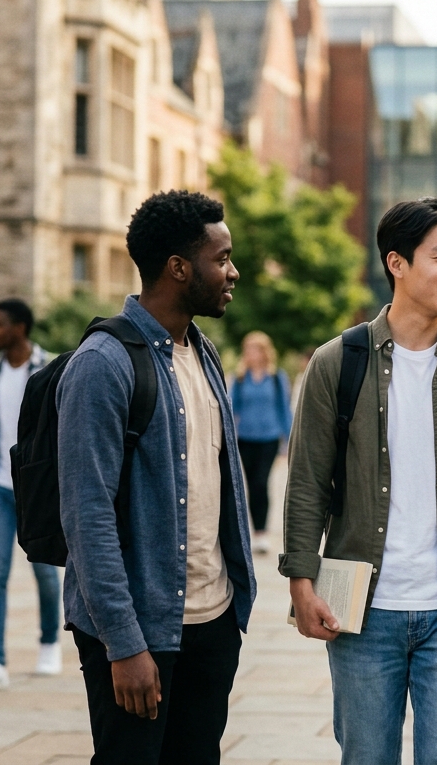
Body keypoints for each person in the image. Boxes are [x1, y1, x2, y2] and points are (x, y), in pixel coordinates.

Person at [282, 198, 437, 765]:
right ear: (396, 263)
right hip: (363, 611)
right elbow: (307, 483)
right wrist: (301, 581)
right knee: (366, 758)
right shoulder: (337, 363)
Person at [57, 190, 256, 764]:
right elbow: (86, 514)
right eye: (221, 259)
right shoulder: (102, 363)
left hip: (211, 621)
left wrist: (233, 612)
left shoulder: (204, 352)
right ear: (178, 268)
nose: (232, 271)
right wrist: (123, 644)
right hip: (139, 633)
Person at [0, 299, 61, 690]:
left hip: (37, 493)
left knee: (46, 573)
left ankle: (50, 641)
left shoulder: (51, 368)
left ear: (19, 328)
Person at [230, 331, 291, 554]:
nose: (250, 353)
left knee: (261, 483)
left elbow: (285, 411)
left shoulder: (276, 378)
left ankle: (261, 533)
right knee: (249, 485)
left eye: (254, 349)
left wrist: (289, 441)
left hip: (269, 438)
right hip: (245, 438)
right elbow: (230, 408)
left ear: (264, 352)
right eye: (247, 349)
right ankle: (252, 530)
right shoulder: (239, 378)